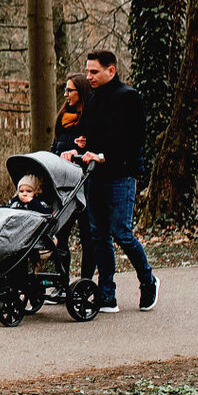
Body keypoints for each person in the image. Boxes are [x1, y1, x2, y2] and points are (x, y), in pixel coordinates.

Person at [61, 50, 158, 313]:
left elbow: (133, 142)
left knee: (121, 233)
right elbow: (90, 136)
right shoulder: (93, 101)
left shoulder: (129, 98)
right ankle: (106, 295)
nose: (88, 76)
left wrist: (103, 155)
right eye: (88, 71)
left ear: (111, 71)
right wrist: (79, 146)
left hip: (121, 176)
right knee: (98, 235)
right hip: (95, 176)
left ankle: (148, 280)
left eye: (94, 71)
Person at [51, 74, 90, 154]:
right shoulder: (63, 119)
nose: (65, 94)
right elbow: (54, 150)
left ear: (81, 91)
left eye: (69, 90)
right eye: (66, 90)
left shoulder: (91, 121)